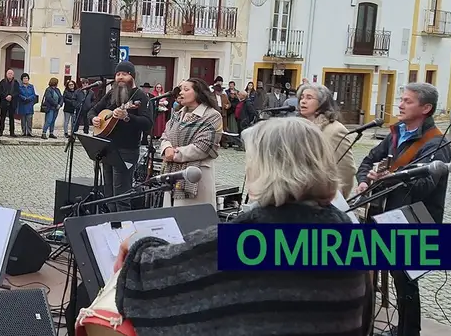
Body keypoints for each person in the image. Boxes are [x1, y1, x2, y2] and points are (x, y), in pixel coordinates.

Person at [111, 117, 367, 335]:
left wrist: (138, 243)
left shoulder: (247, 241)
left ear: (267, 168)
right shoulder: (351, 235)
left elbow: (152, 276)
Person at [355, 82, 451, 336]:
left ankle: (410, 331)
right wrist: (365, 180)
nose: (400, 104)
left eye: (408, 101)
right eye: (401, 99)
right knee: (388, 275)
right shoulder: (395, 134)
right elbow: (368, 160)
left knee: (406, 281)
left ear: (425, 108)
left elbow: (425, 186)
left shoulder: (436, 143)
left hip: (416, 219)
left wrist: (389, 176)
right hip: (386, 214)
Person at [89, 61, 153, 211]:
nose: (120, 78)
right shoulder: (111, 94)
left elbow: (147, 123)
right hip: (107, 148)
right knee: (109, 194)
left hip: (127, 150)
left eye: (124, 74)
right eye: (118, 74)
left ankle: (125, 228)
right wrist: (93, 118)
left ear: (132, 76)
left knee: (121, 195)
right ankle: (112, 226)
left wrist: (127, 117)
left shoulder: (141, 97)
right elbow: (92, 110)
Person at [158, 78, 223, 208]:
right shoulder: (177, 114)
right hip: (173, 174)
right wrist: (166, 148)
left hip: (197, 174)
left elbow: (204, 146)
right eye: (180, 89)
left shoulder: (212, 116)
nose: (181, 92)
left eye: (186, 89)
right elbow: (165, 135)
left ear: (198, 92)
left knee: (193, 220)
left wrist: (175, 154)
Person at [297, 83, 356, 196]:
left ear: (322, 102)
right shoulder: (300, 128)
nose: (303, 101)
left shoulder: (335, 130)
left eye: (309, 98)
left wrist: (337, 198)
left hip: (323, 198)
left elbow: (346, 171)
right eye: (302, 97)